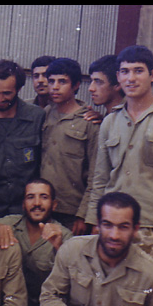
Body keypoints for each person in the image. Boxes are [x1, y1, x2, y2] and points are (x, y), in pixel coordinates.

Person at [86, 45, 153, 272]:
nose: (131, 78)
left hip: (151, 228)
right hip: (111, 226)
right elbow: (100, 179)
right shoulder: (110, 122)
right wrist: (95, 222)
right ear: (118, 77)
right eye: (125, 72)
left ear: (152, 75)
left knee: (142, 289)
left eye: (138, 71)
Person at [40, 192, 153, 306]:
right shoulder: (72, 250)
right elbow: (50, 295)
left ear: (135, 229)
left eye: (123, 227)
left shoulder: (152, 275)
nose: (114, 235)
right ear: (98, 224)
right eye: (107, 225)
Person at [0, 60, 46, 219]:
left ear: (19, 89)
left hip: (27, 210)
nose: (0, 98)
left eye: (7, 93)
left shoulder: (37, 117)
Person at [40, 58, 99, 235]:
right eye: (51, 81)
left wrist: (83, 215)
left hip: (72, 211)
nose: (55, 87)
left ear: (76, 85)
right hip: (43, 207)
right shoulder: (46, 114)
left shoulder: (88, 122)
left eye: (62, 82)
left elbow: (95, 175)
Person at [0, 178, 72, 306]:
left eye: (44, 197)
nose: (37, 203)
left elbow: (73, 277)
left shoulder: (64, 235)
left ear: (54, 204)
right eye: (30, 197)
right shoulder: (10, 224)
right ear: (23, 204)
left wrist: (59, 247)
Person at [84, 54, 125, 123]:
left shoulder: (129, 116)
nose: (91, 88)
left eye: (98, 82)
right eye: (91, 81)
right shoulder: (111, 117)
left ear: (117, 85)